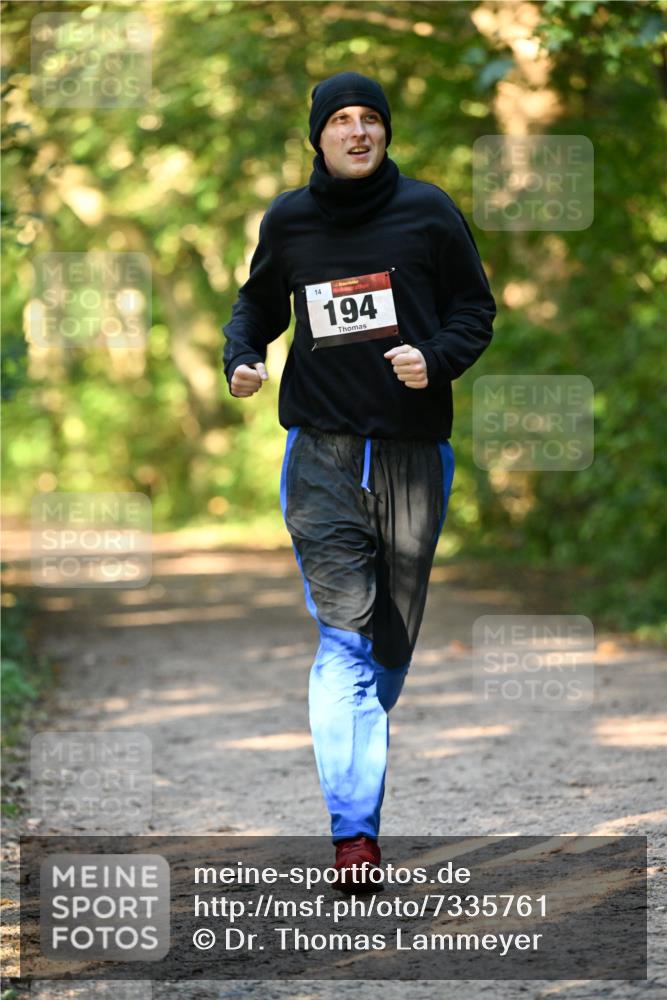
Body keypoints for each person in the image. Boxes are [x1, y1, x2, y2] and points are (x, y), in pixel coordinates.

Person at [222, 71, 496, 891]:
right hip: (321, 458)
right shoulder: (291, 220)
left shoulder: (429, 211)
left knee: (390, 642)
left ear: (384, 133)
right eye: (339, 120)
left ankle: (357, 774)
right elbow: (254, 306)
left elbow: (473, 311)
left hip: (414, 453)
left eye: (368, 118)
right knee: (343, 637)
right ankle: (354, 835)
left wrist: (436, 359)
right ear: (318, 135)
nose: (355, 131)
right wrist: (242, 357)